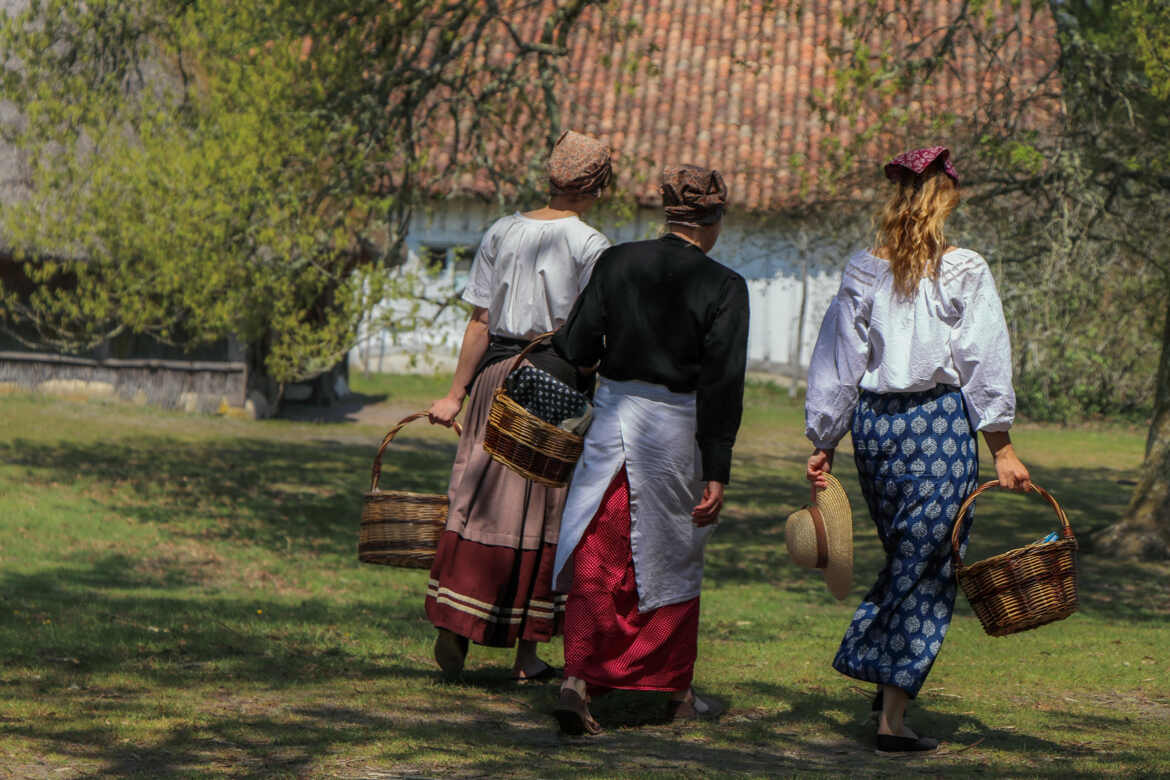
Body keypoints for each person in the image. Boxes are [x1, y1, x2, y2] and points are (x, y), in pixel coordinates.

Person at [804, 146, 1030, 754]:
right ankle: (891, 718)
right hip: (936, 428)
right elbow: (982, 360)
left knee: (911, 555)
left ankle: (886, 684)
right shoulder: (963, 268)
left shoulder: (862, 269)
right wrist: (1002, 447)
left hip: (876, 431)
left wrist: (827, 436)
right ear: (945, 199)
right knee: (926, 566)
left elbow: (839, 362)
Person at [548, 164, 750, 734]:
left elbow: (577, 344)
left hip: (612, 426)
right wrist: (718, 468)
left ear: (669, 214)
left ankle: (577, 679)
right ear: (712, 221)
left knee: (597, 552)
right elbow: (723, 383)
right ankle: (677, 694)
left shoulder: (616, 261)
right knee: (670, 561)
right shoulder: (725, 285)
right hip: (674, 435)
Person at [424, 130, 613, 681]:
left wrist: (456, 392)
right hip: (553, 383)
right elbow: (590, 336)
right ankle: (527, 654)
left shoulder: (503, 230)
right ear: (598, 187)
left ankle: (455, 625)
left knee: (476, 495)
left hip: (492, 380)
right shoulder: (590, 245)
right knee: (539, 511)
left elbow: (480, 321)